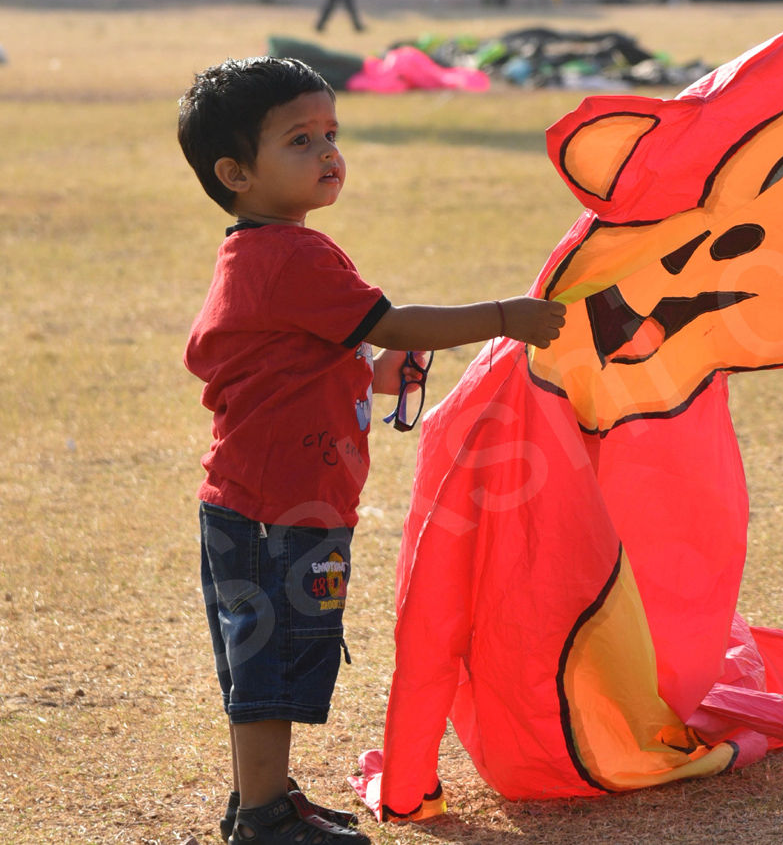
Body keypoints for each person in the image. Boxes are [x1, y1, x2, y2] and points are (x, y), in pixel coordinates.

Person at [176, 56, 565, 845]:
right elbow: (388, 322)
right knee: (269, 668)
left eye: (331, 133)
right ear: (236, 173)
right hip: (272, 508)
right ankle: (262, 819)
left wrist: (381, 374)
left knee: (272, 661)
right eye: (298, 139)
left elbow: (323, 356)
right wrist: (502, 317)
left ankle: (267, 798)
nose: (327, 152)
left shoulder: (270, 254)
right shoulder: (291, 255)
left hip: (276, 502)